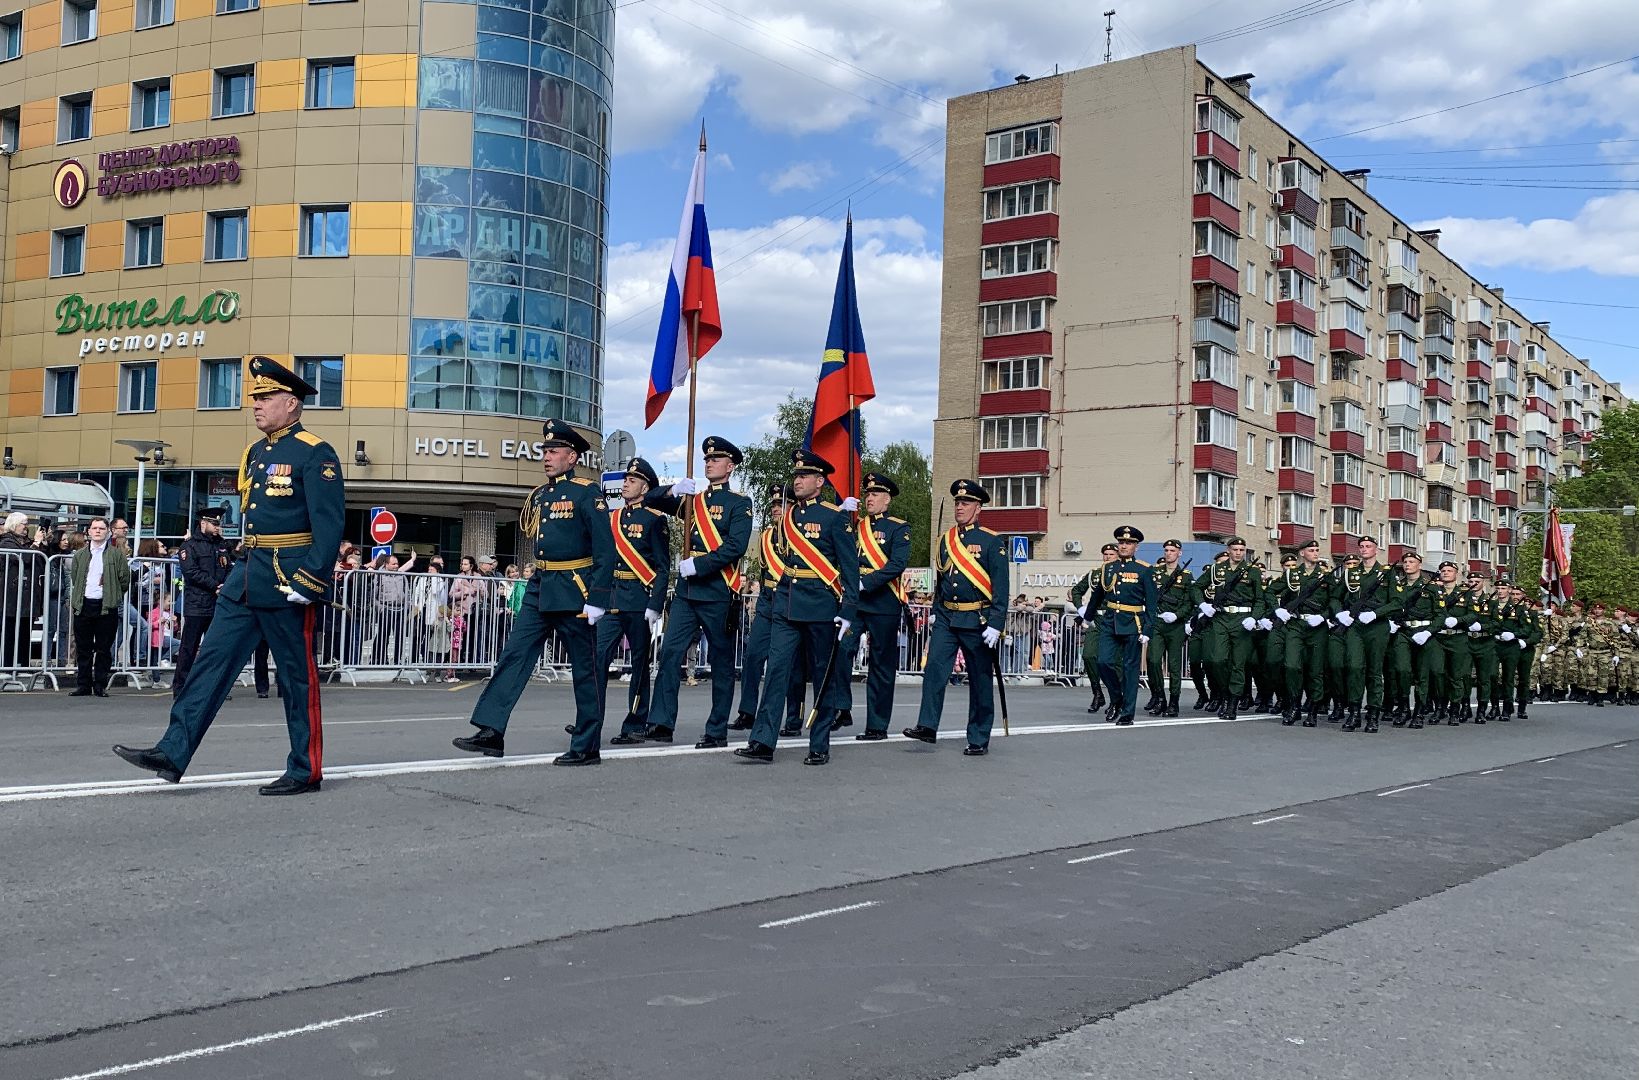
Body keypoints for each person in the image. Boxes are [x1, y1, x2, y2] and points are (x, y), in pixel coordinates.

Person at [112, 356, 346, 795]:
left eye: (266, 397)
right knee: (209, 664)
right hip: (246, 577)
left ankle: (305, 768)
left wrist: (310, 580)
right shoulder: (256, 454)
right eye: (255, 397)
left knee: (297, 679)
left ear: (291, 403)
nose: (256, 405)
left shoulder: (315, 452)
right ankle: (172, 750)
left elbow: (329, 526)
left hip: (287, 580)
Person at [453, 419, 615, 765]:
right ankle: (491, 730)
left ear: (572, 457)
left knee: (585, 668)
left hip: (574, 588)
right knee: (515, 654)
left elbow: (606, 548)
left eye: (554, 451)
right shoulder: (541, 495)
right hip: (541, 587)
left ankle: (587, 745)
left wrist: (599, 597)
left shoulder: (587, 492)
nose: (546, 456)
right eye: (545, 451)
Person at [737, 449, 859, 764]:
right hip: (787, 604)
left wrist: (847, 612)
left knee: (822, 676)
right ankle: (763, 740)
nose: (798, 480)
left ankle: (819, 744)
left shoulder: (835, 517)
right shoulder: (788, 517)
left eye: (804, 475)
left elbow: (850, 571)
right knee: (776, 671)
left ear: (820, 481)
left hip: (820, 606)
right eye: (796, 475)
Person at [639, 436, 754, 745]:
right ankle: (662, 723)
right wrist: (673, 490)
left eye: (715, 460)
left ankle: (716, 730)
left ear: (729, 467)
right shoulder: (693, 500)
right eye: (706, 459)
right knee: (670, 653)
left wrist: (699, 565)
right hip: (688, 595)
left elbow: (736, 546)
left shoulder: (740, 503)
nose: (708, 463)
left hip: (717, 592)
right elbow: (650, 499)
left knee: (720, 662)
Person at [902, 479, 1008, 755]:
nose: (960, 507)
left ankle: (978, 736)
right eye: (957, 503)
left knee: (980, 679)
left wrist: (996, 624)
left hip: (978, 619)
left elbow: (1001, 587)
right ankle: (927, 726)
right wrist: (937, 611)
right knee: (935, 669)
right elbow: (942, 580)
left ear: (978, 508)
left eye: (966, 503)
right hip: (948, 617)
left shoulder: (991, 542)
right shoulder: (944, 541)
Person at [597, 457, 671, 746]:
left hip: (639, 599)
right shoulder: (613, 518)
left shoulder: (655, 520)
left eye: (632, 480)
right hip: (613, 598)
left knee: (639, 665)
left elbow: (663, 567)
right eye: (625, 479)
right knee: (596, 659)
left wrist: (655, 603)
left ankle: (635, 724)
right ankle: (590, 720)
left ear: (644, 487)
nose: (626, 484)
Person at [732, 483, 805, 735]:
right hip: (767, 600)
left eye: (780, 504)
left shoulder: (799, 534)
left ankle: (794, 718)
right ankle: (747, 711)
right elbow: (764, 572)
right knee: (753, 656)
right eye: (773, 505)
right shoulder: (765, 536)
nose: (775, 509)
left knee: (790, 664)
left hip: (791, 600)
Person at [844, 471, 911, 741]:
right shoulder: (854, 525)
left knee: (881, 666)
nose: (869, 498)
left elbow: (897, 565)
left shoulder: (898, 528)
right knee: (841, 650)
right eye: (867, 494)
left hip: (883, 603)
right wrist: (840, 512)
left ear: (887, 500)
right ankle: (841, 707)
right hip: (856, 604)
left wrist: (865, 583)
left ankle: (877, 725)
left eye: (875, 494)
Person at [1076, 525, 1156, 726]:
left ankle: (1128, 712)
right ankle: (1117, 698)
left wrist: (1148, 629)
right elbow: (1097, 596)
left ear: (1136, 547)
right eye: (1121, 542)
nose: (1124, 546)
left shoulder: (1144, 570)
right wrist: (1088, 617)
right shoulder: (1107, 568)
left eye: (1128, 543)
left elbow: (1152, 604)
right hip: (1110, 621)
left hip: (1133, 622)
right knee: (1103, 662)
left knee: (1130, 670)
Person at [1194, 536, 1264, 721]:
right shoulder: (1217, 569)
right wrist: (1203, 605)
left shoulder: (1252, 572)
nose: (1238, 553)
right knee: (1217, 660)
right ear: (1229, 550)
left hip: (1242, 619)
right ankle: (1224, 694)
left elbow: (1260, 599)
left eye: (1242, 550)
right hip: (1221, 618)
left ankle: (1232, 702)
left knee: (1238, 664)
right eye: (1235, 549)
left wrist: (1254, 618)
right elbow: (1196, 588)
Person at [173, 506, 235, 698]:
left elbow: (231, 566)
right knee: (189, 647)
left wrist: (226, 586)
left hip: (218, 603)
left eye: (219, 524)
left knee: (217, 648)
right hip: (197, 603)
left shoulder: (222, 545)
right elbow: (191, 572)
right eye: (214, 523)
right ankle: (181, 686)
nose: (217, 527)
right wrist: (215, 586)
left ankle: (214, 687)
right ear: (203, 523)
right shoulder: (190, 546)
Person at [1269, 538, 1332, 728]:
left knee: (1315, 671)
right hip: (1296, 625)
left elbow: (1336, 601)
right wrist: (1277, 609)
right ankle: (1294, 706)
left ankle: (1312, 709)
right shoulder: (1291, 575)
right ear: (1302, 553)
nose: (1315, 552)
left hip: (1316, 628)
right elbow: (1269, 591)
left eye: (1316, 549)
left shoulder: (1326, 575)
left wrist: (1323, 616)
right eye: (1311, 550)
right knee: (1291, 666)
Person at [67, 517, 130, 696]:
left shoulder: (116, 554)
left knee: (104, 648)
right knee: (83, 647)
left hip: (106, 605)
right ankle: (84, 684)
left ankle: (100, 684)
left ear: (108, 532)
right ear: (89, 531)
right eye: (94, 528)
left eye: (101, 528)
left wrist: (114, 595)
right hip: (84, 604)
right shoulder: (80, 555)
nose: (97, 531)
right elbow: (76, 578)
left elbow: (124, 579)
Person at [1145, 538, 1193, 717]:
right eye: (1166, 550)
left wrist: (1178, 615)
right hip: (1157, 623)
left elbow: (1189, 603)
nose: (1168, 553)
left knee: (1174, 666)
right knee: (1153, 660)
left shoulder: (1186, 576)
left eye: (1172, 551)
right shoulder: (1154, 572)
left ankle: (1174, 702)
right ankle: (1159, 698)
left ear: (1179, 553)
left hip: (1175, 625)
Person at [1068, 544, 1117, 713]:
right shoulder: (1095, 574)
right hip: (1096, 619)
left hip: (1115, 619)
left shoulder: (1123, 573)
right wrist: (1081, 609)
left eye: (1111, 554)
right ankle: (1097, 693)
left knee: (1113, 662)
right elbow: (1076, 591)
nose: (1108, 557)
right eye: (1105, 554)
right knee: (1088, 655)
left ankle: (1116, 699)